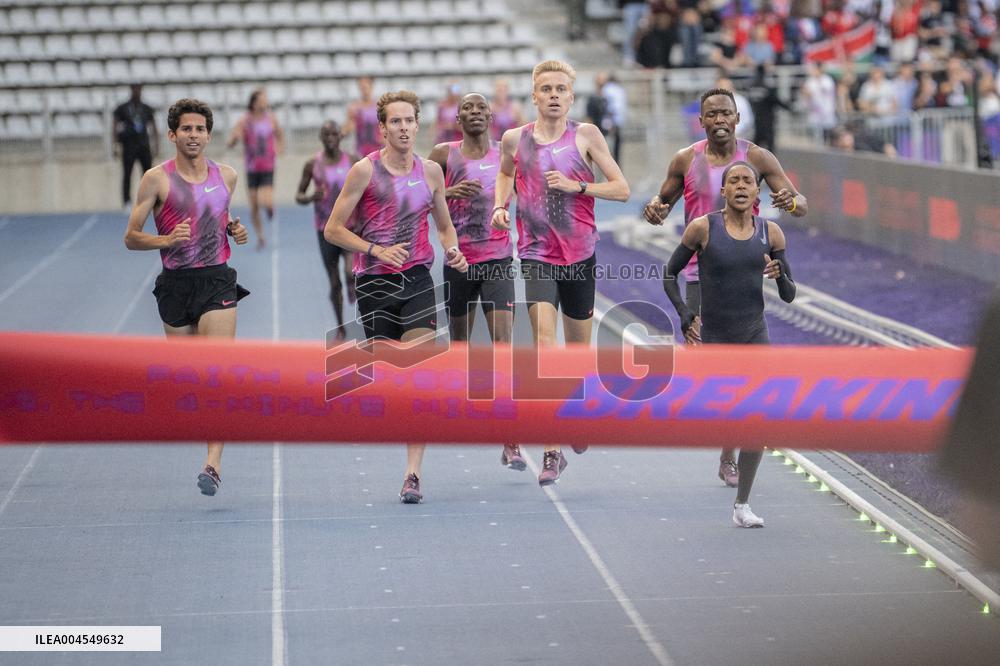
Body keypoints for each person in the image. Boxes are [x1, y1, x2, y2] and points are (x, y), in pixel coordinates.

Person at [642, 87, 807, 488]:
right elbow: (658, 205)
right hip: (699, 273)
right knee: (708, 370)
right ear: (701, 121)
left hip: (742, 270)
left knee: (741, 370)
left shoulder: (757, 158)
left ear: (737, 119)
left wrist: (789, 201)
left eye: (726, 114)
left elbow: (799, 203)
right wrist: (654, 209)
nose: (719, 120)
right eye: (711, 114)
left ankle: (729, 454)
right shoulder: (686, 159)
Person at [325, 91, 468, 504]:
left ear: (418, 124)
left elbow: (443, 226)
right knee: (391, 379)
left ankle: (412, 474)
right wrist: (374, 250)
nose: (404, 128)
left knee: (418, 374)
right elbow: (333, 229)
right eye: (396, 122)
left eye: (410, 120)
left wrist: (452, 249)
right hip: (374, 282)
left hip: (418, 278)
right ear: (382, 128)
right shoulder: (363, 172)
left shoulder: (432, 173)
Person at [492, 60, 630, 486]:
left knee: (575, 355)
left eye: (561, 89)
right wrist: (500, 206)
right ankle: (552, 450)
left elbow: (621, 189)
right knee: (544, 347)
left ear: (571, 96)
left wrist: (579, 187)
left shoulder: (586, 136)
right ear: (534, 96)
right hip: (536, 254)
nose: (553, 95)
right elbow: (504, 172)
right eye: (546, 89)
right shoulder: (515, 139)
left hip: (580, 256)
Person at [123, 98, 250, 497]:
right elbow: (131, 237)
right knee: (192, 381)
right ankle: (208, 434)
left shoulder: (227, 176)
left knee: (218, 372)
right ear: (172, 134)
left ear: (209, 135)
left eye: (200, 129)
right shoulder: (156, 179)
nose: (194, 136)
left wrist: (234, 229)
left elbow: (220, 215)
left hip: (216, 280)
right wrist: (166, 238)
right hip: (176, 284)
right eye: (187, 129)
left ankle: (212, 464)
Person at [662, 161, 797, 527]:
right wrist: (684, 313)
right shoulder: (703, 228)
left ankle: (742, 505)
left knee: (758, 418)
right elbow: (670, 273)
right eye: (733, 180)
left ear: (757, 192)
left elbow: (788, 295)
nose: (741, 186)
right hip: (715, 339)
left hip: (755, 335)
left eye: (748, 181)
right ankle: (726, 453)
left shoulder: (772, 234)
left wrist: (780, 273)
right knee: (726, 415)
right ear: (723, 191)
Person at [428, 93, 523, 471]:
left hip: (498, 259)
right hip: (459, 260)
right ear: (457, 120)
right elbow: (421, 192)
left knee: (503, 347)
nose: (475, 113)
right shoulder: (442, 155)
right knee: (460, 345)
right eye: (467, 108)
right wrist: (448, 192)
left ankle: (510, 438)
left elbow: (529, 187)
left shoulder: (506, 153)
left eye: (481, 107)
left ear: (492, 116)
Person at [295, 120, 357, 340]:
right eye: (326, 134)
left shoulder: (353, 160)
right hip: (325, 230)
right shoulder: (312, 164)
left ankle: (352, 284)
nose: (330, 138)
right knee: (334, 282)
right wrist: (311, 196)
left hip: (350, 227)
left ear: (341, 136)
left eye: (334, 134)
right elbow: (299, 195)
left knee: (350, 272)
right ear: (321, 138)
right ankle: (340, 327)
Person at [226, 89, 284, 250]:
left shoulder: (271, 119)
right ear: (254, 102)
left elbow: (280, 135)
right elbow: (232, 139)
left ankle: (270, 208)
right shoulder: (245, 120)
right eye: (262, 99)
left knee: (266, 200)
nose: (266, 102)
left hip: (267, 165)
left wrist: (280, 148)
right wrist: (234, 140)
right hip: (251, 167)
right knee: (254, 205)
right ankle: (260, 236)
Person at [113, 84, 158, 211]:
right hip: (129, 146)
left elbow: (153, 126)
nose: (137, 92)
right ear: (131, 90)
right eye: (135, 89)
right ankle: (127, 201)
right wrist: (115, 144)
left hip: (144, 145)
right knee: (127, 173)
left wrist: (156, 145)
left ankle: (149, 201)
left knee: (148, 175)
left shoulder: (146, 108)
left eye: (139, 89)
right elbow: (115, 125)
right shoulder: (123, 108)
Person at [746, 64, 792, 151]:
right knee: (770, 147)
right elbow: (776, 101)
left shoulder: (751, 87)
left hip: (756, 121)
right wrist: (790, 107)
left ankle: (754, 163)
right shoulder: (767, 88)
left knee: (756, 147)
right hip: (768, 121)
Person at [344, 76, 383, 158]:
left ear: (371, 87)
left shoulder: (380, 106)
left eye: (365, 87)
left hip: (379, 149)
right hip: (361, 150)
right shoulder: (354, 107)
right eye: (361, 87)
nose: (364, 90)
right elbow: (347, 129)